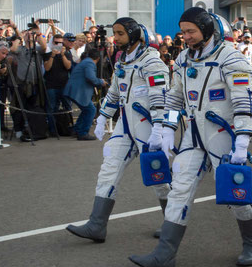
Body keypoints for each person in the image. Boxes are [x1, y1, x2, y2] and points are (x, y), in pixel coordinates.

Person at [128, 7, 252, 267]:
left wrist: (243, 141)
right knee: (179, 188)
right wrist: (166, 127)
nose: (186, 36)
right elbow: (175, 96)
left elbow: (244, 102)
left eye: (191, 31)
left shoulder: (231, 59)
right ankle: (164, 255)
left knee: (234, 195)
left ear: (207, 30)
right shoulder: (182, 60)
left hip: (223, 136)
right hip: (193, 135)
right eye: (183, 31)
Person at [65, 18, 170, 242]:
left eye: (121, 33)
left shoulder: (152, 62)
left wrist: (159, 129)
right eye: (115, 33)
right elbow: (114, 92)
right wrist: (102, 117)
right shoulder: (122, 61)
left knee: (158, 178)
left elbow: (160, 98)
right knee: (108, 170)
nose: (116, 38)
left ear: (134, 35)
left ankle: (172, 223)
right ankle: (96, 225)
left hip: (148, 127)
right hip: (125, 127)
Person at [62, 48, 107, 140]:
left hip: (75, 90)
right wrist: (101, 82)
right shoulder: (90, 63)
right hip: (79, 91)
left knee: (87, 110)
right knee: (91, 110)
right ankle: (83, 132)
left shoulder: (85, 61)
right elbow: (91, 77)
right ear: (98, 58)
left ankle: (77, 129)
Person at [43, 33, 74, 136]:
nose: (58, 45)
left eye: (60, 43)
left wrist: (62, 55)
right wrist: (52, 55)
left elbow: (68, 66)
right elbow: (47, 68)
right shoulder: (47, 53)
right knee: (51, 108)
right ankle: (53, 130)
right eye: (56, 43)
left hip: (64, 84)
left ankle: (68, 127)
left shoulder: (67, 53)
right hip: (51, 85)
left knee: (67, 106)